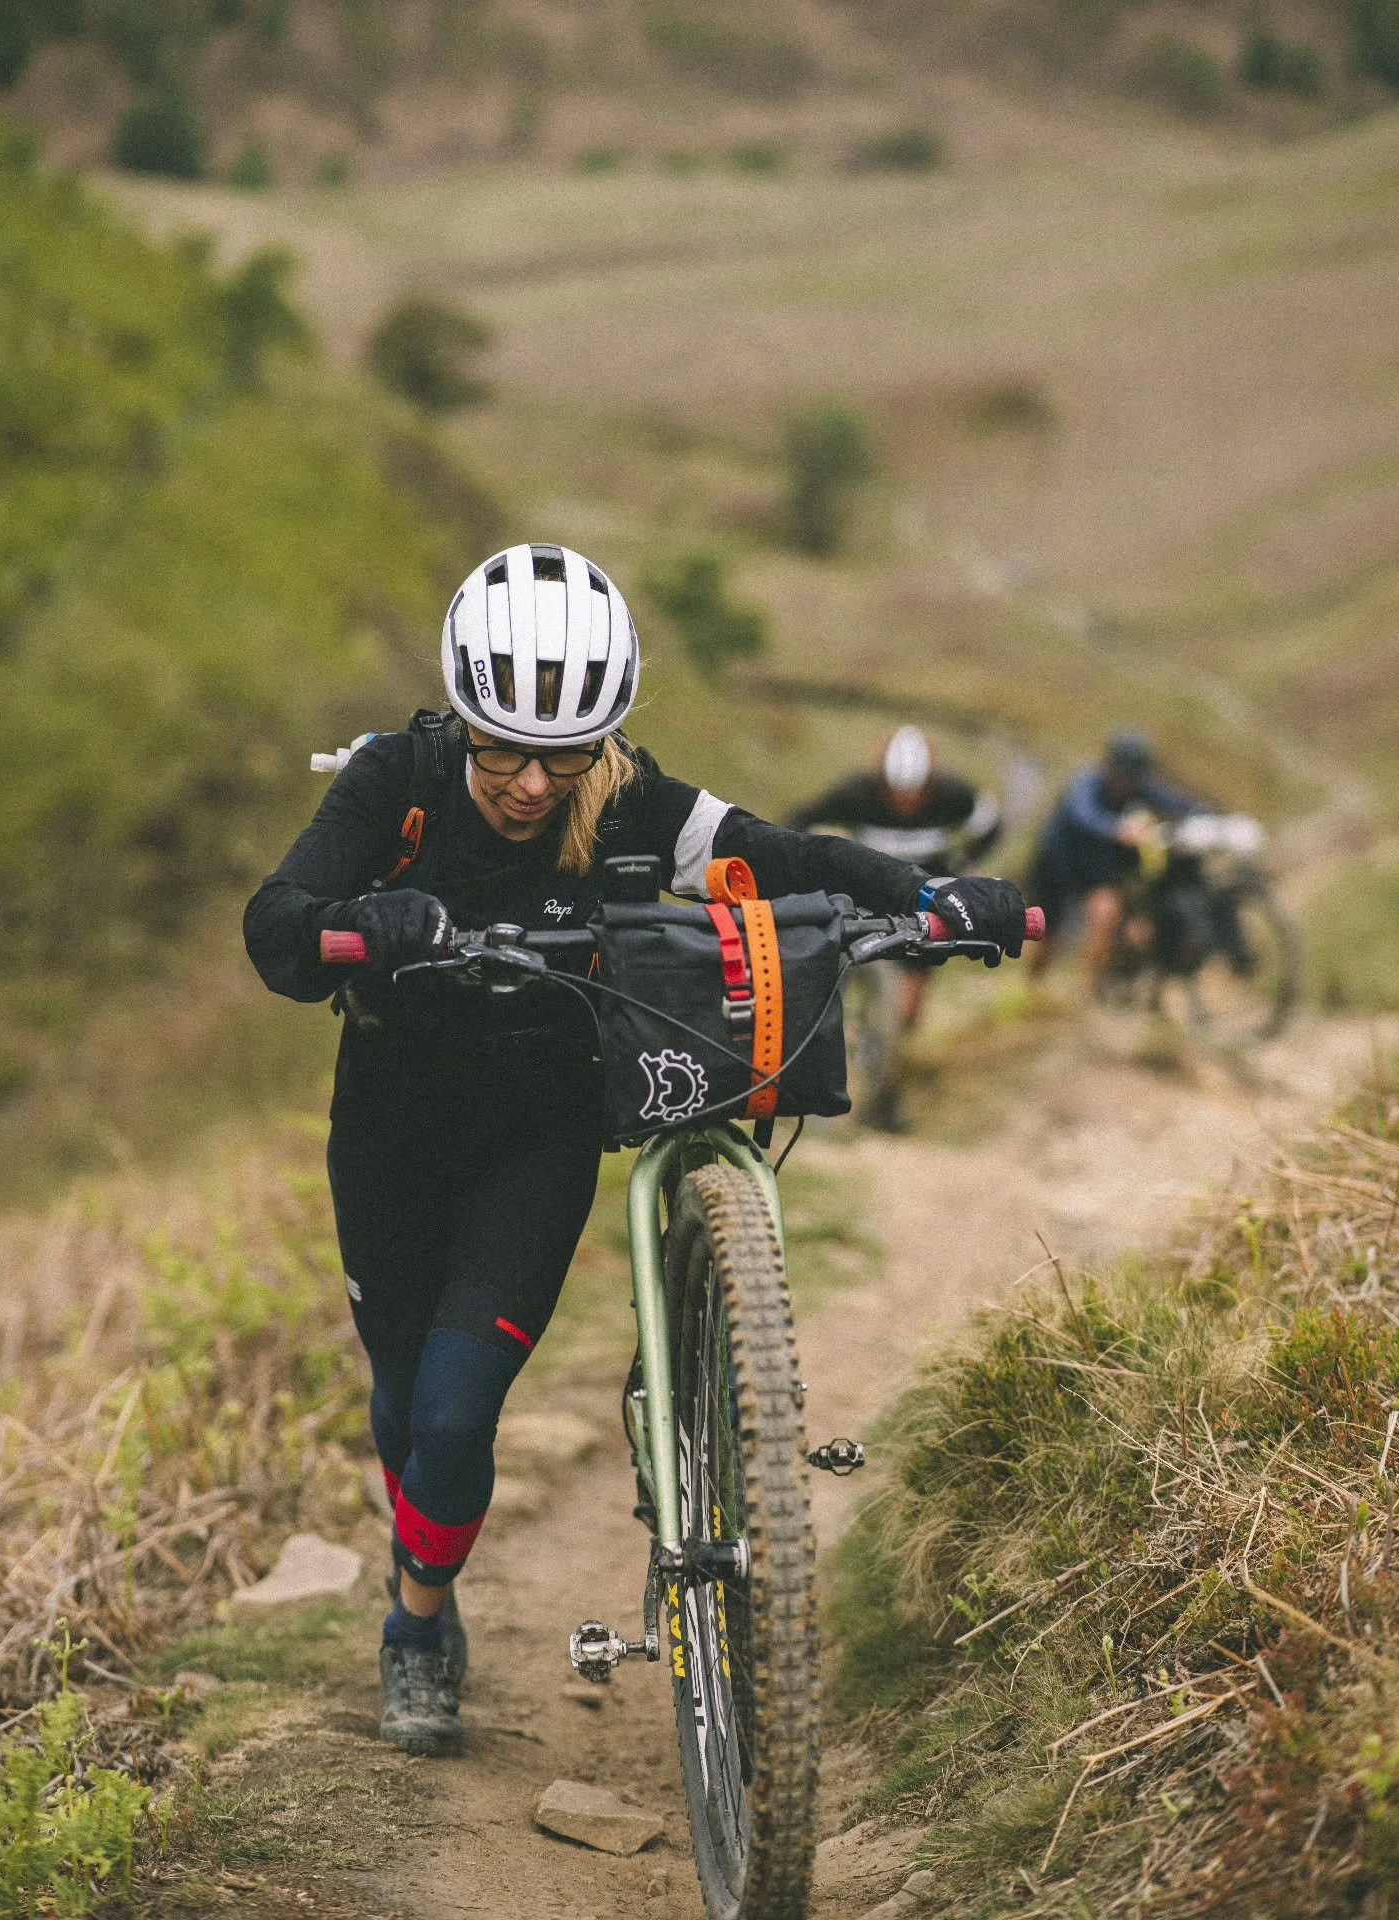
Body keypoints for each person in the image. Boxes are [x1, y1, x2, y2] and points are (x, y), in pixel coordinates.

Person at [243, 544, 1027, 1758]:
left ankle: (413, 1629)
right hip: (391, 1132)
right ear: (463, 719)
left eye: (563, 754)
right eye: (501, 749)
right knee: (402, 1412)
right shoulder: (393, 783)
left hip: (540, 1134)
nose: (528, 782)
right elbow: (279, 927)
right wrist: (366, 919)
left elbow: (786, 859)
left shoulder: (627, 804)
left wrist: (932, 897)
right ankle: (432, 1598)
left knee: (454, 1420)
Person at [786, 726, 1003, 1130]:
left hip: (926, 914)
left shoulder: (953, 796)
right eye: (895, 793)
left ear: (931, 783)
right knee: (834, 988)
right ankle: (818, 1087)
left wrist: (961, 863)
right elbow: (799, 820)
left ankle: (885, 1086)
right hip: (865, 909)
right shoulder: (857, 795)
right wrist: (816, 860)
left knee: (907, 1010)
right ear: (882, 781)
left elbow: (991, 819)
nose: (905, 803)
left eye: (915, 794)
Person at [1027, 729, 1199, 997]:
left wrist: (1210, 817)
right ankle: (1032, 990)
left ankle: (1087, 992)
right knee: (1045, 933)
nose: (1127, 783)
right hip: (1058, 866)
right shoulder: (1084, 783)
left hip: (1098, 868)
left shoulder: (1140, 785)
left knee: (1107, 915)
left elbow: (1178, 803)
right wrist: (1116, 829)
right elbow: (1082, 814)